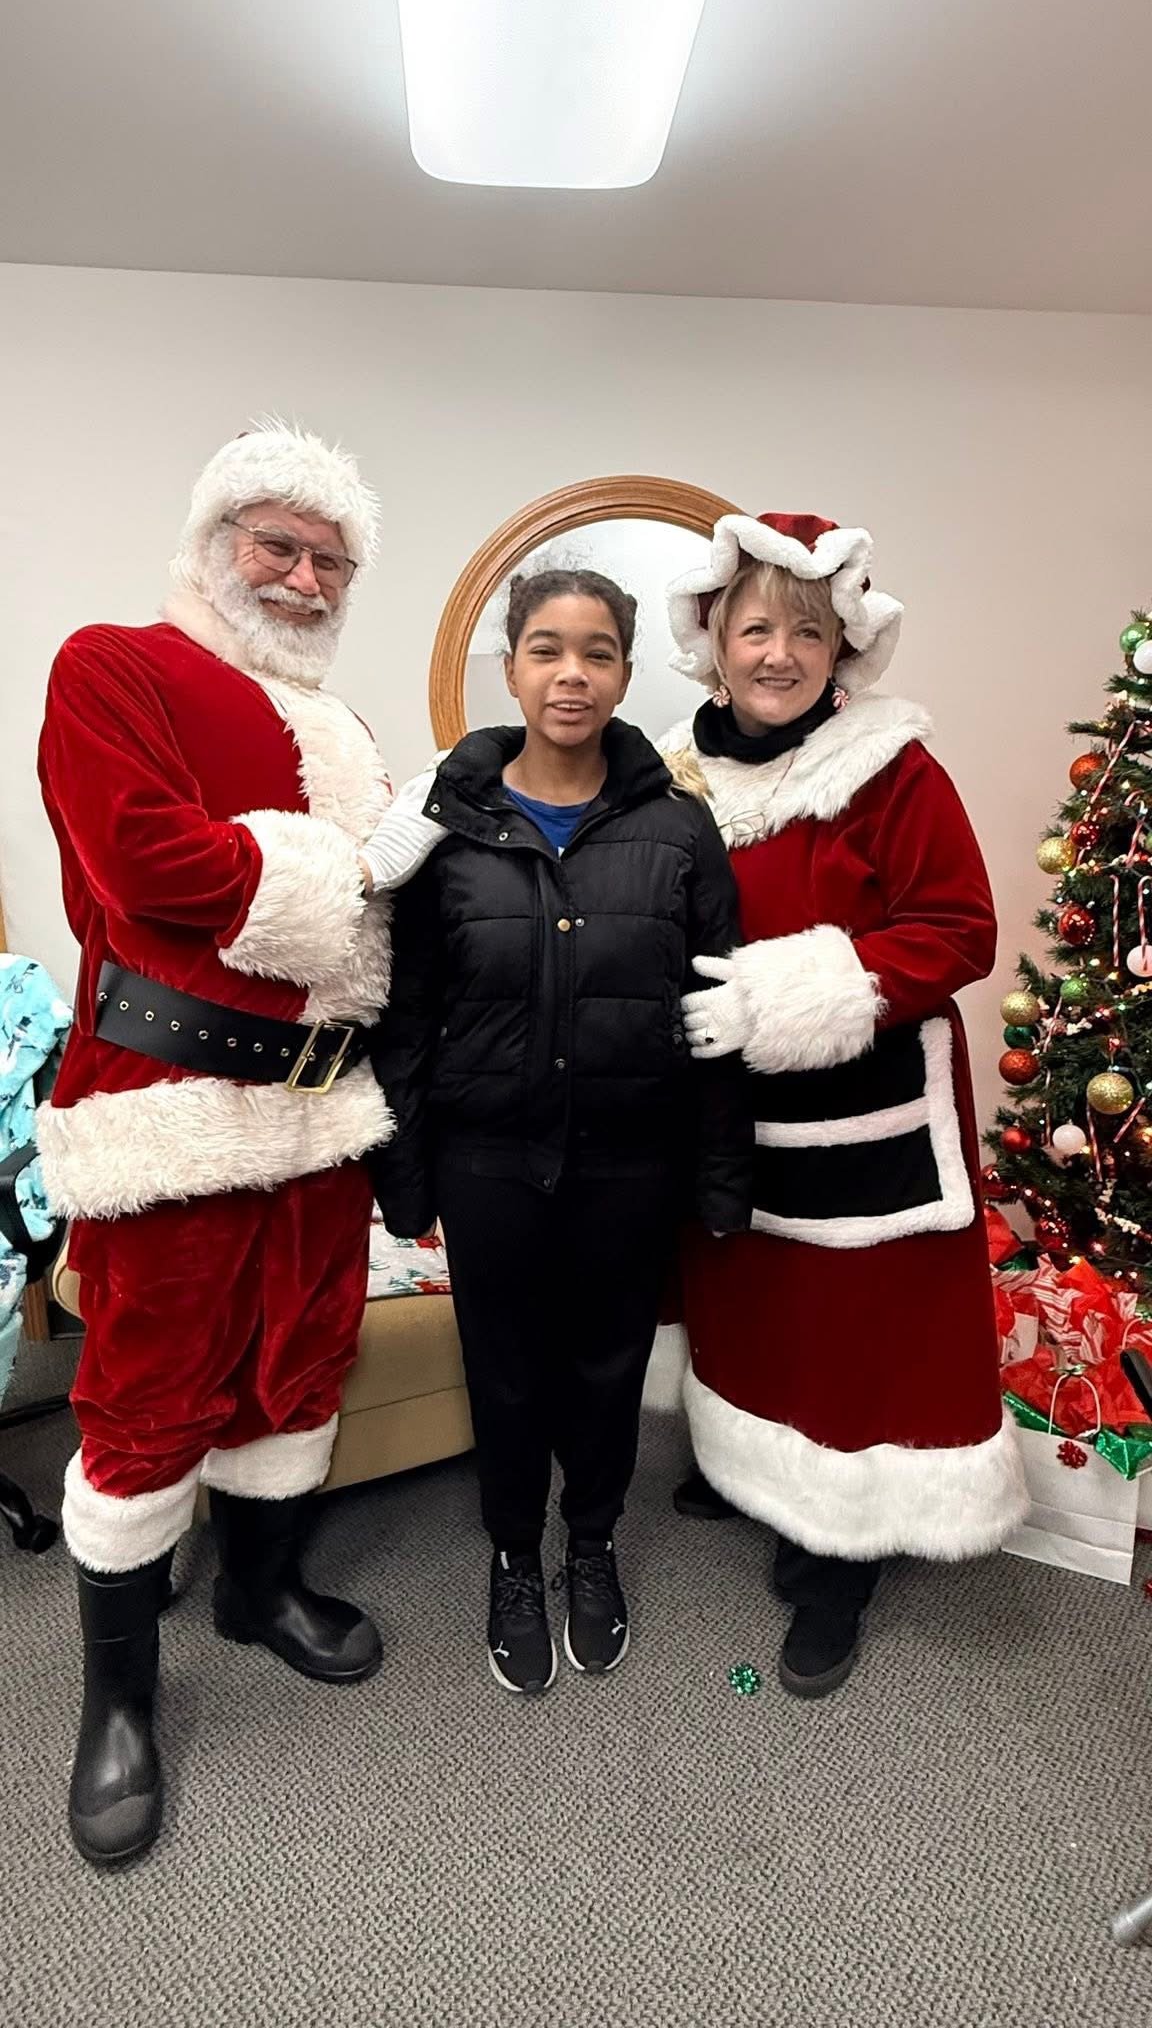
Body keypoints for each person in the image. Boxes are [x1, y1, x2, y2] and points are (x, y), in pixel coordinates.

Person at [38, 421, 393, 1864]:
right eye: (279, 546)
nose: (305, 578)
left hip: (322, 1116)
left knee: (299, 1365)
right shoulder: (111, 664)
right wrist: (346, 869)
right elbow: (142, 862)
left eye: (331, 560)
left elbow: (384, 935)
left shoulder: (350, 730)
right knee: (144, 1399)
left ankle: (260, 1587)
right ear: (214, 544)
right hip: (168, 1109)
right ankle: (118, 1701)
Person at [659, 511, 1027, 1698]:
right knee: (752, 1290)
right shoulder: (670, 769)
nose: (779, 653)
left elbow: (960, 930)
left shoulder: (894, 766)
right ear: (714, 637)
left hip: (869, 1100)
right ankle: (760, 1471)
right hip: (731, 1104)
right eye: (756, 625)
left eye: (805, 630)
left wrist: (791, 992)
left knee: (858, 1319)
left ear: (842, 645)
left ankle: (844, 1546)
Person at [370, 569, 751, 1694]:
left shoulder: (680, 828)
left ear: (626, 673)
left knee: (604, 1365)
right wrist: (405, 1174)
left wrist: (722, 1171)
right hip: (488, 1156)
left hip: (631, 1158)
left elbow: (719, 1007)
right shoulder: (445, 827)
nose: (571, 673)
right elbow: (408, 1016)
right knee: (505, 1371)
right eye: (546, 648)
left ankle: (590, 1540)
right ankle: (510, 1552)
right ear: (512, 667)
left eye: (596, 651)